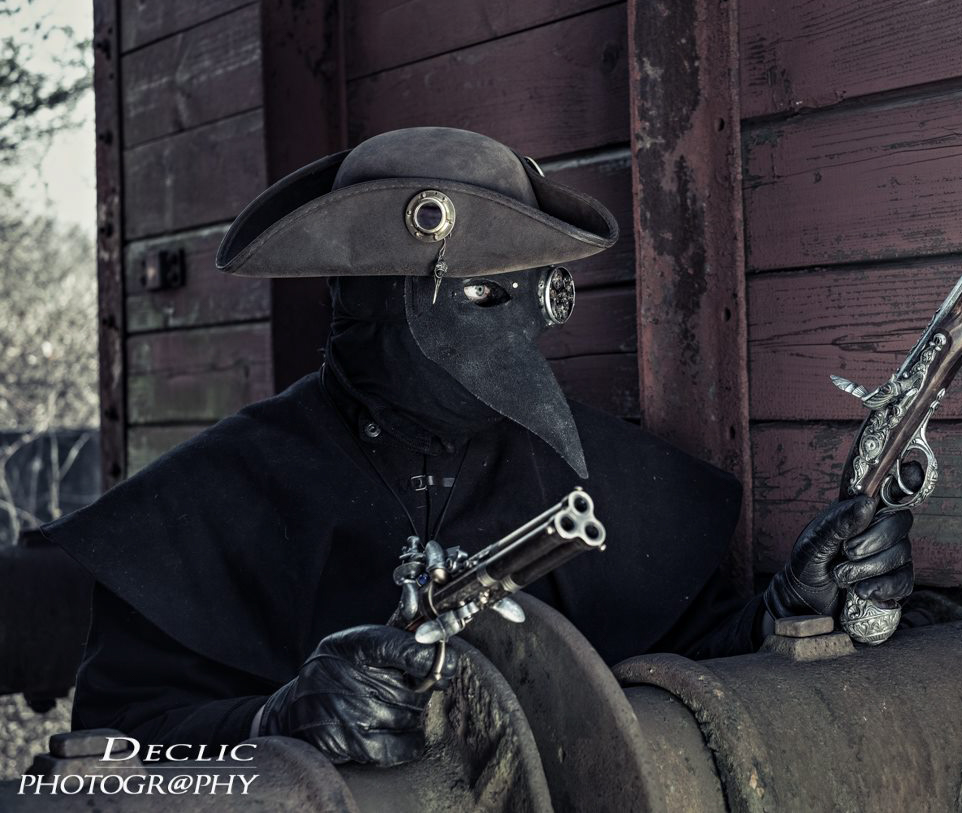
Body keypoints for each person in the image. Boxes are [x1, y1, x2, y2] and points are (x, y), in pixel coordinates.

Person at [45, 128, 916, 767]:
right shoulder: (221, 494)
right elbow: (117, 741)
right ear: (377, 299)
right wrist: (267, 724)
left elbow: (664, 669)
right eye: (483, 294)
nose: (522, 328)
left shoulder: (597, 476)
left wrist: (783, 614)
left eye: (536, 292)